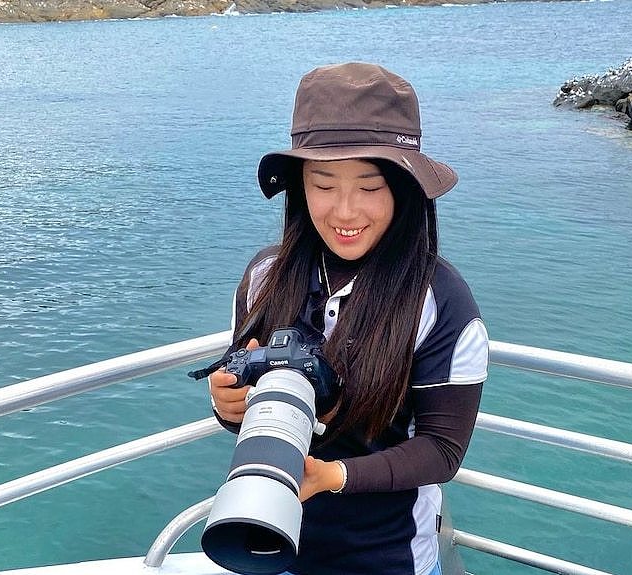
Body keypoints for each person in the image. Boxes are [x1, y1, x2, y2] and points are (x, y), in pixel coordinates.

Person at [209, 62, 489, 575]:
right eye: (322, 184)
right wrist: (229, 404)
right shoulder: (266, 276)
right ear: (299, 186)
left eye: (369, 186)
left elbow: (442, 450)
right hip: (267, 541)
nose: (343, 211)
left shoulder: (441, 302)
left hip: (388, 556)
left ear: (405, 189)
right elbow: (255, 410)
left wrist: (333, 476)